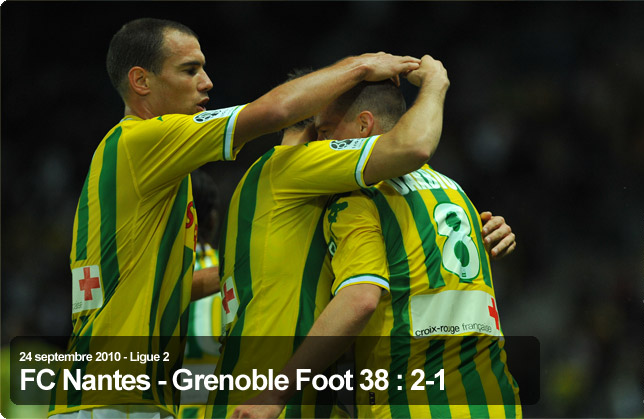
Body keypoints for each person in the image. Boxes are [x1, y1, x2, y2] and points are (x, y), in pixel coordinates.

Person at [48, 16, 423, 418]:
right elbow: (275, 110)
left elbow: (160, 284)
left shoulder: (148, 166)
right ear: (141, 81)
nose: (207, 82)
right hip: (114, 399)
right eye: (189, 70)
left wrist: (250, 268)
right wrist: (362, 66)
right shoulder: (143, 141)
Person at [231, 66, 521, 419]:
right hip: (496, 398)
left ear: (363, 126)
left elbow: (360, 299)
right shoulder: (454, 191)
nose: (320, 146)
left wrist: (276, 394)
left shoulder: (358, 196)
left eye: (326, 133)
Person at [178, 169, 224, 419]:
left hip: (168, 404)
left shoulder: (160, 273)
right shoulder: (230, 268)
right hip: (218, 406)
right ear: (212, 220)